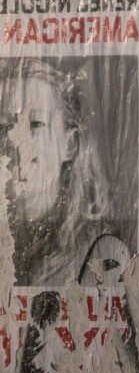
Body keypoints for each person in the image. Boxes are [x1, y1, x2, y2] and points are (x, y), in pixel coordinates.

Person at [0, 57, 129, 286]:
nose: (15, 140)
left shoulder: (98, 250)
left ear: (69, 144)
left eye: (36, 124)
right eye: (3, 126)